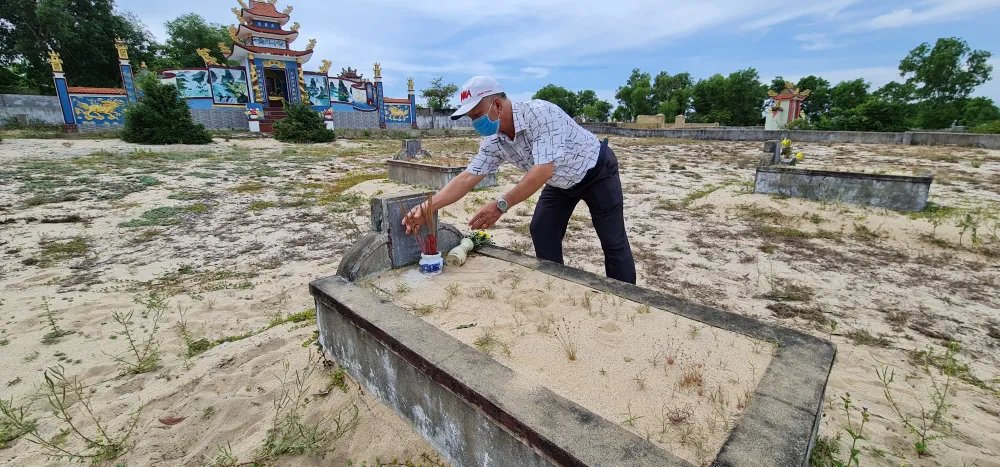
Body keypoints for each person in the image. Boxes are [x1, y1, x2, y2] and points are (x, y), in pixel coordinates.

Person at [403, 76, 636, 284]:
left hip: (596, 171)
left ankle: (628, 298)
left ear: (496, 104)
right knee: (542, 229)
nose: (475, 123)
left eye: (476, 115)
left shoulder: (541, 114)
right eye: (471, 118)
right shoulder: (494, 140)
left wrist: (500, 205)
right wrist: (428, 207)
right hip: (560, 182)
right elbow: (466, 178)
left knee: (612, 240)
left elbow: (543, 170)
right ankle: (557, 283)